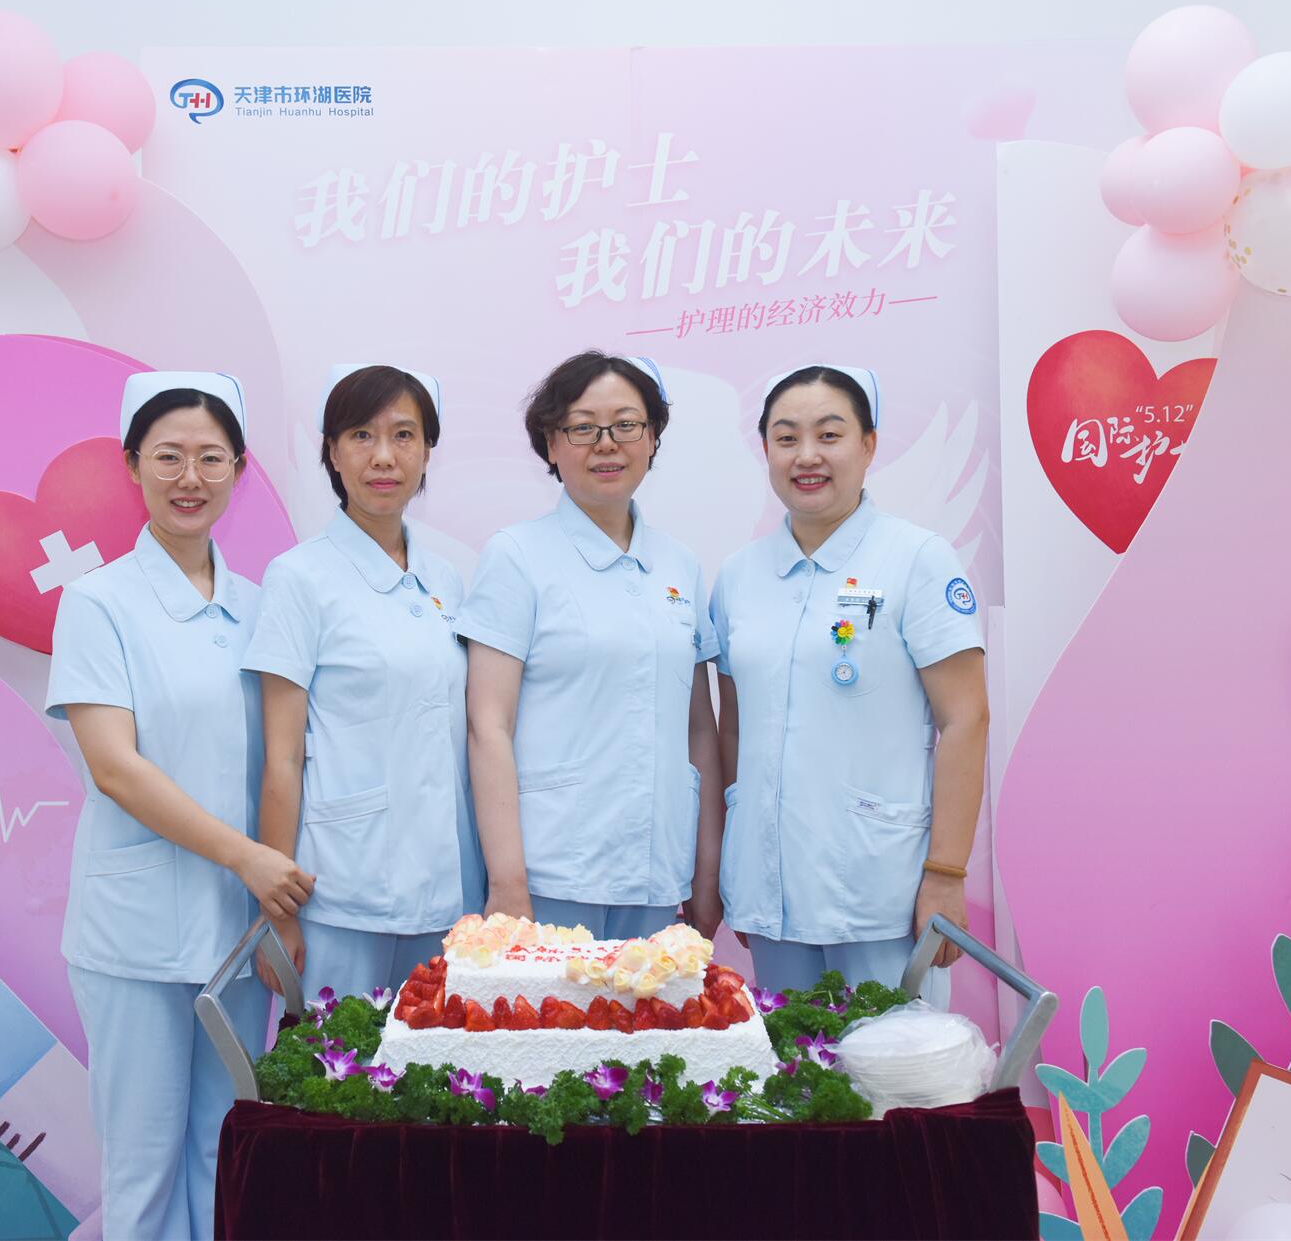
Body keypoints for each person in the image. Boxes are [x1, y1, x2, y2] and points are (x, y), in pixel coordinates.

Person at [46, 370, 314, 1241]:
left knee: (222, 1152)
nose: (189, 477)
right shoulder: (99, 602)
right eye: (168, 456)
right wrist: (248, 858)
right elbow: (115, 768)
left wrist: (273, 900)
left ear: (238, 468)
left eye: (210, 457)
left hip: (237, 929)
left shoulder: (260, 606)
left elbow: (282, 760)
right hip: (136, 934)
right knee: (146, 1164)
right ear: (132, 465)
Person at [708, 365, 989, 1005]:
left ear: (868, 445)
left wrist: (946, 874)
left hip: (884, 887)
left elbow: (966, 720)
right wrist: (741, 867)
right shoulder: (739, 576)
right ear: (766, 451)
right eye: (786, 438)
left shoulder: (916, 559)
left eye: (829, 435)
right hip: (771, 889)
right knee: (793, 1061)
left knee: (895, 1062)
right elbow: (735, 728)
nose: (807, 456)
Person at [457, 351, 725, 941]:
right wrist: (508, 881)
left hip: (659, 871)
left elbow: (698, 730)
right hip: (552, 871)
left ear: (652, 439)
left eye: (626, 424)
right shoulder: (516, 556)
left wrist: (705, 872)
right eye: (583, 427)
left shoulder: (679, 564)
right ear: (551, 444)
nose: (607, 444)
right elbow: (487, 725)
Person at [244, 364, 480, 1001]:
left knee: (431, 1062)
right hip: (340, 888)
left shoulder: (445, 579)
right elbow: (281, 757)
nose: (384, 457)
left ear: (427, 450)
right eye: (361, 436)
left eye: (404, 435)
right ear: (331, 451)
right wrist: (277, 912)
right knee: (335, 1060)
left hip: (442, 884)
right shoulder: (299, 578)